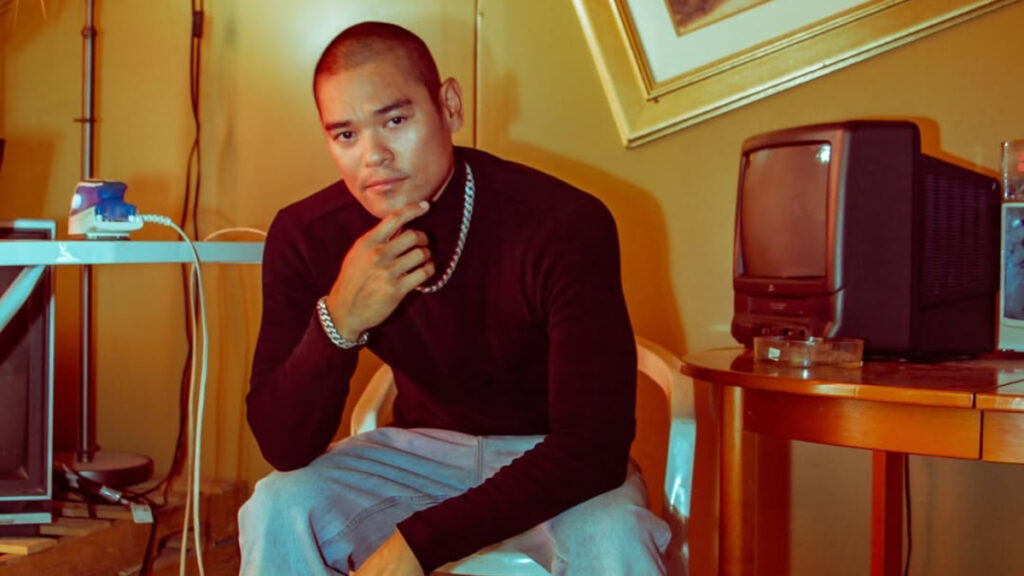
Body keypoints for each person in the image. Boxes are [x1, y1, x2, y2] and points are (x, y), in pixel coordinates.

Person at [238, 20, 671, 576]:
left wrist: (415, 545)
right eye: (345, 135)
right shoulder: (306, 235)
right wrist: (339, 321)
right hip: (416, 458)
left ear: (449, 106)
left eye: (395, 120)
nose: (373, 156)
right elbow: (283, 447)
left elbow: (593, 448)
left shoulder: (563, 222)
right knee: (279, 504)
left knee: (613, 535)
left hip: (554, 460)